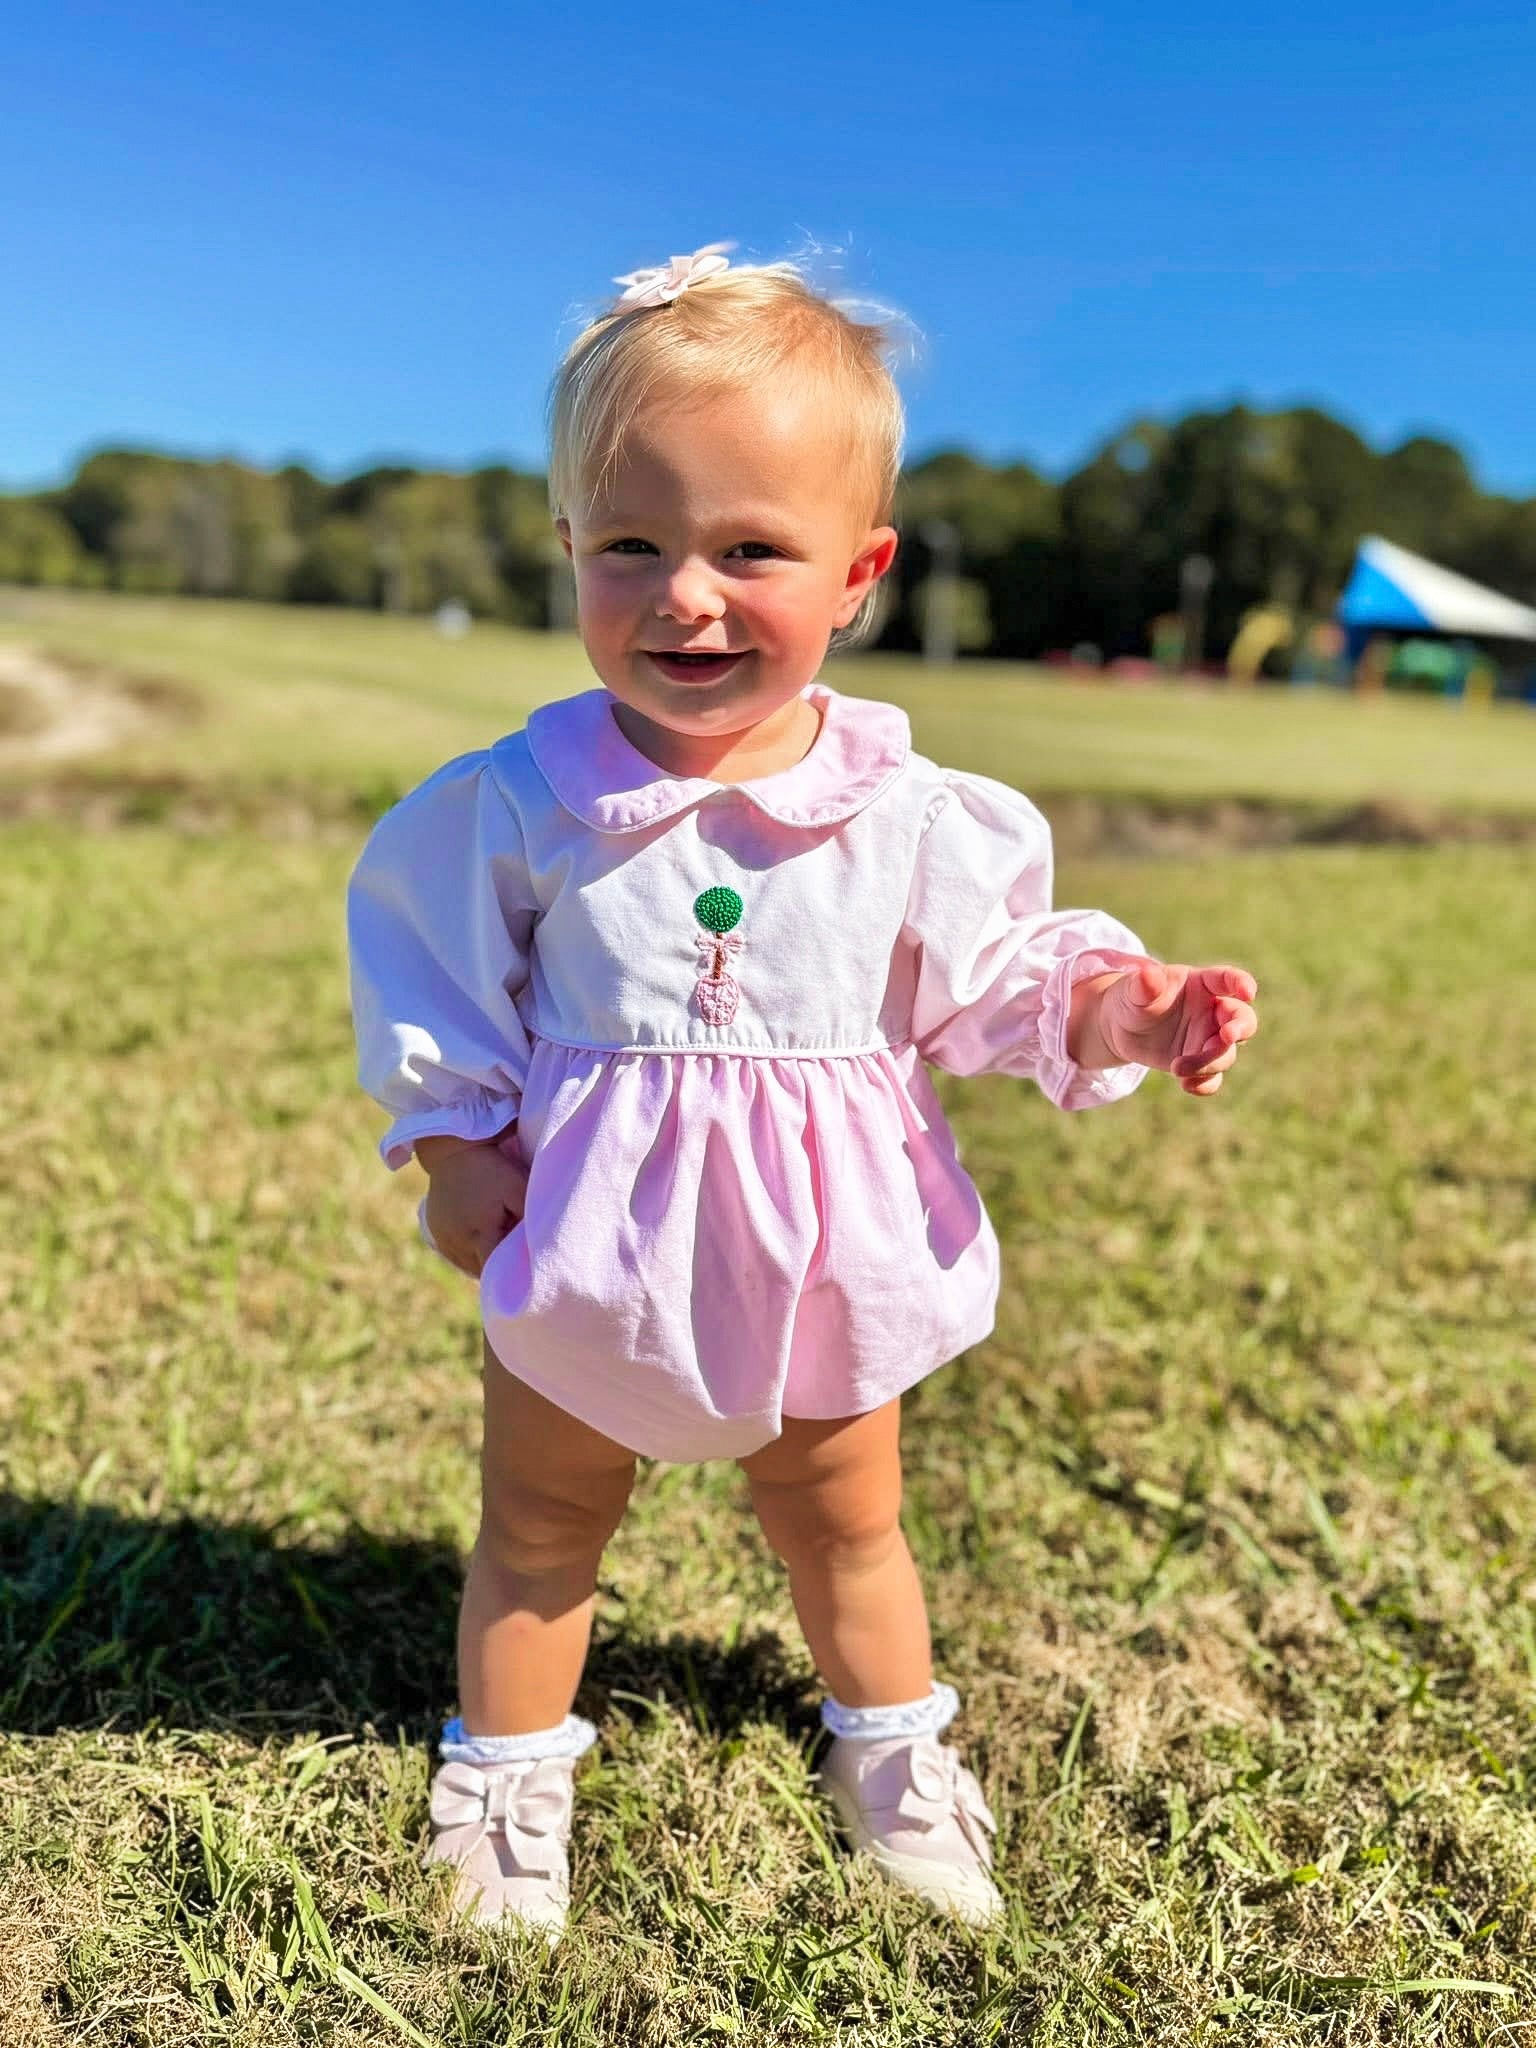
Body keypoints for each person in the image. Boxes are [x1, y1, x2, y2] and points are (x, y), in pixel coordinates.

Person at [346, 242, 1260, 1941]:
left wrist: (1128, 1008)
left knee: (849, 1525)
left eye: (748, 550)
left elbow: (1000, 984)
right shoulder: (520, 801)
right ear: (568, 554)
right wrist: (452, 1135)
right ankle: (508, 1760)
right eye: (632, 546)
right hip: (590, 1242)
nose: (684, 596)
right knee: (540, 1524)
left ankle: (890, 1746)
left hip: (832, 1256)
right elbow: (432, 964)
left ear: (858, 573)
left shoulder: (910, 816)